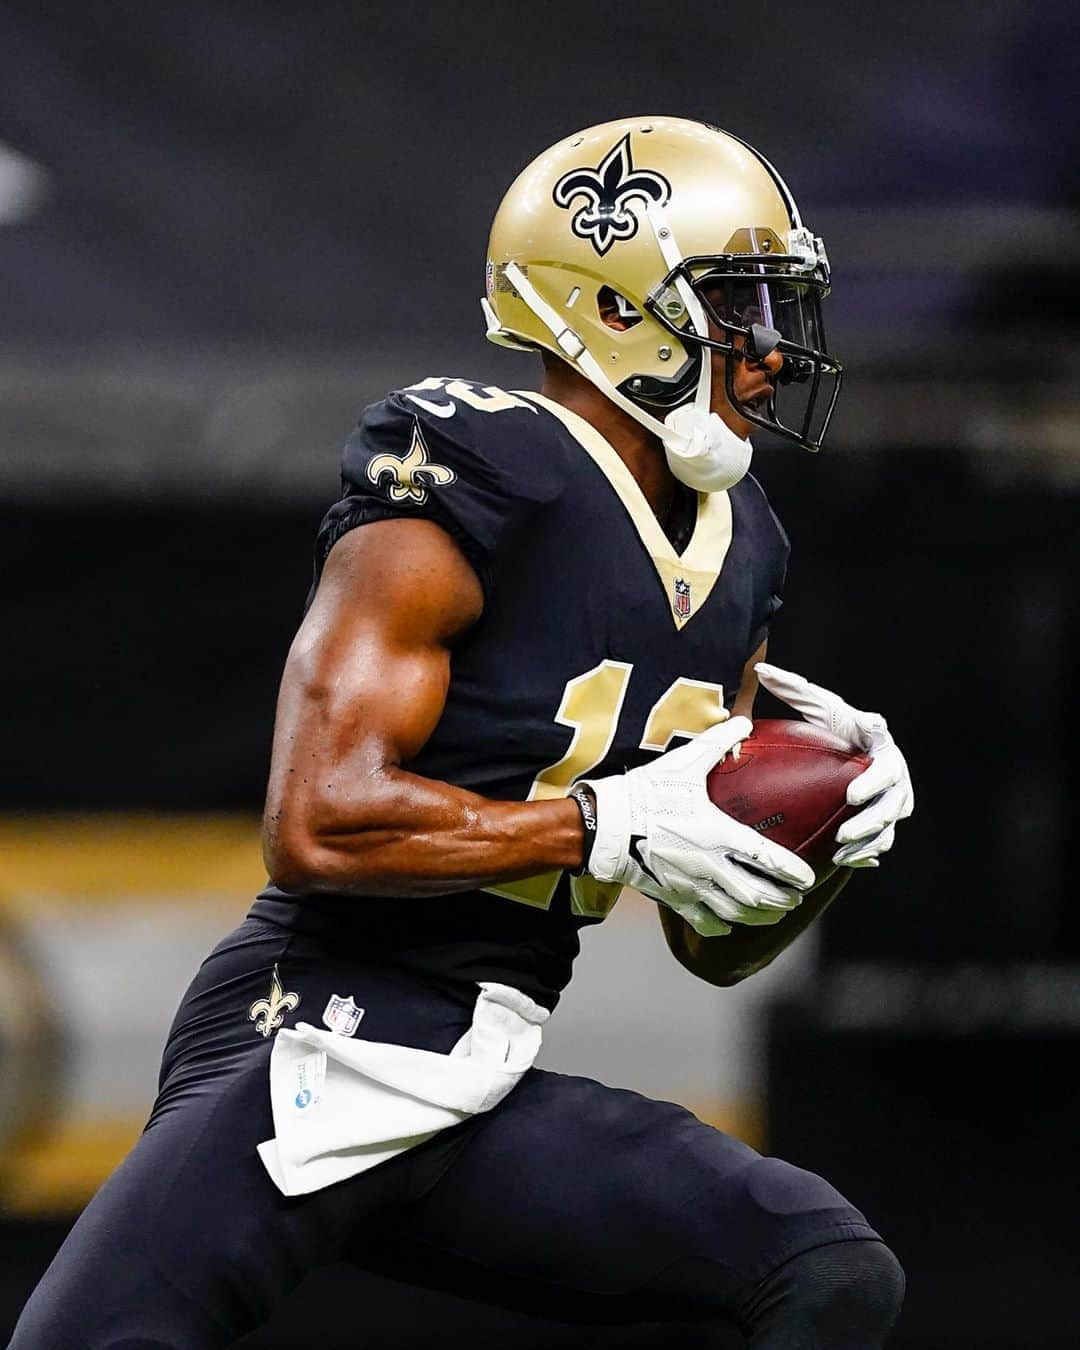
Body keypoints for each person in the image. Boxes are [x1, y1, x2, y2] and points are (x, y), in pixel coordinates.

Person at [12, 116, 913, 1349]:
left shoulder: (745, 540)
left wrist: (820, 843)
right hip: (312, 1033)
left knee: (824, 1267)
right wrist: (597, 825)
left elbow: (717, 942)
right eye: (742, 303)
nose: (771, 350)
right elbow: (317, 823)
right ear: (621, 306)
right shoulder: (482, 464)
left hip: (475, 1069)